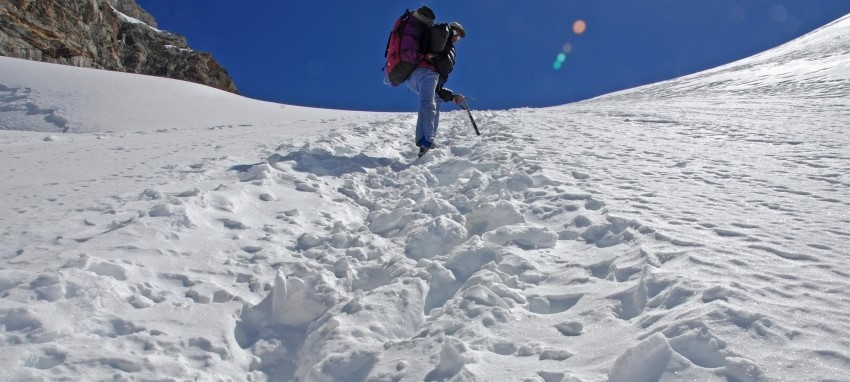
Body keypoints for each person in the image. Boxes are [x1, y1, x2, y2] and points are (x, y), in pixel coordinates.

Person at [404, 7, 466, 157]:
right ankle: (427, 141)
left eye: (459, 37)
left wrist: (451, 96)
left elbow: (437, 89)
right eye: (457, 34)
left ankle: (424, 144)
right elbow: (439, 63)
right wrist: (435, 57)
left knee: (434, 101)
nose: (457, 38)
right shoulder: (443, 40)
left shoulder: (438, 43)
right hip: (426, 73)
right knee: (428, 104)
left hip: (415, 76)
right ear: (452, 31)